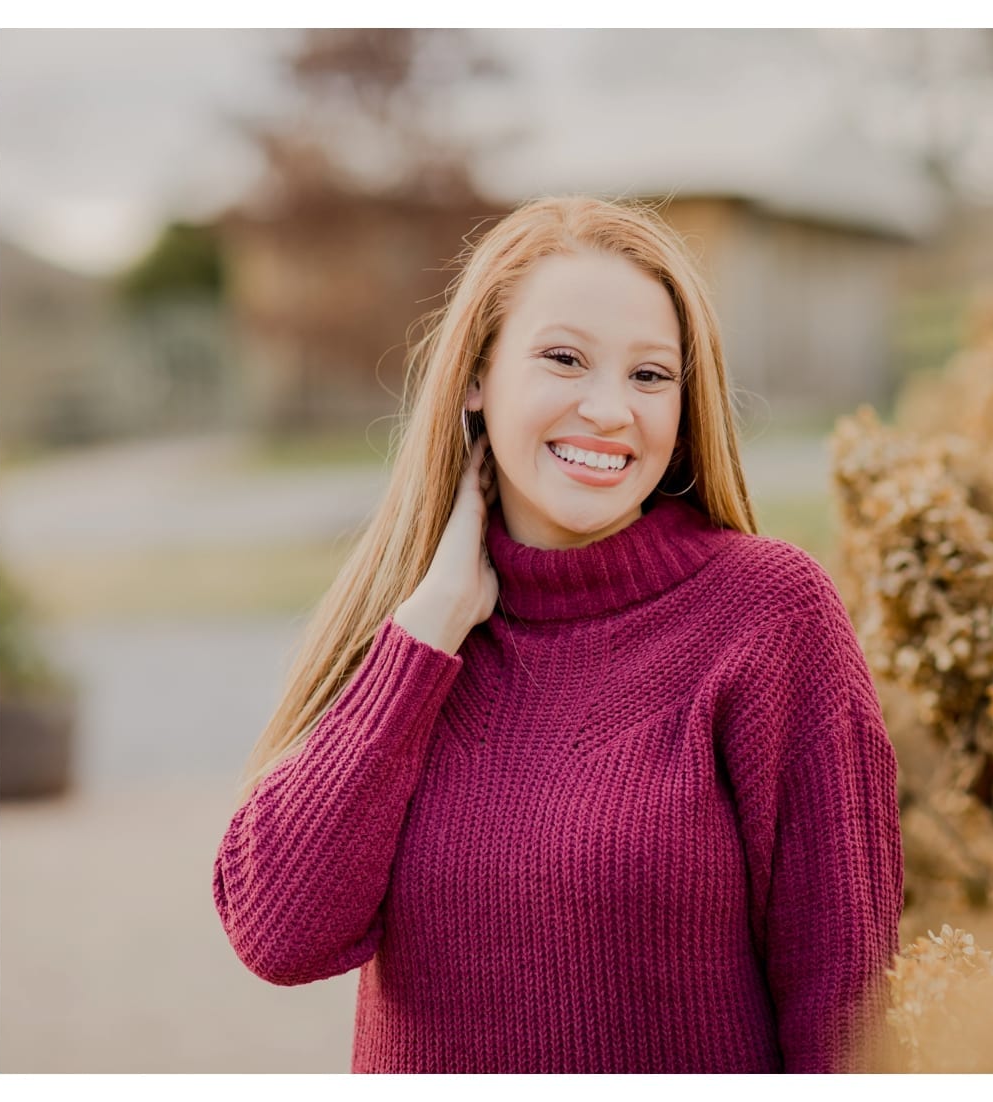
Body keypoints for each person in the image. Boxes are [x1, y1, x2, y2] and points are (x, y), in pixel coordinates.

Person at [212, 195, 904, 1074]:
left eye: (651, 376)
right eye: (565, 359)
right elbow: (279, 934)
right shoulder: (415, 639)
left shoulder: (768, 616)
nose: (611, 410)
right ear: (476, 377)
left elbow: (851, 1016)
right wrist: (427, 633)